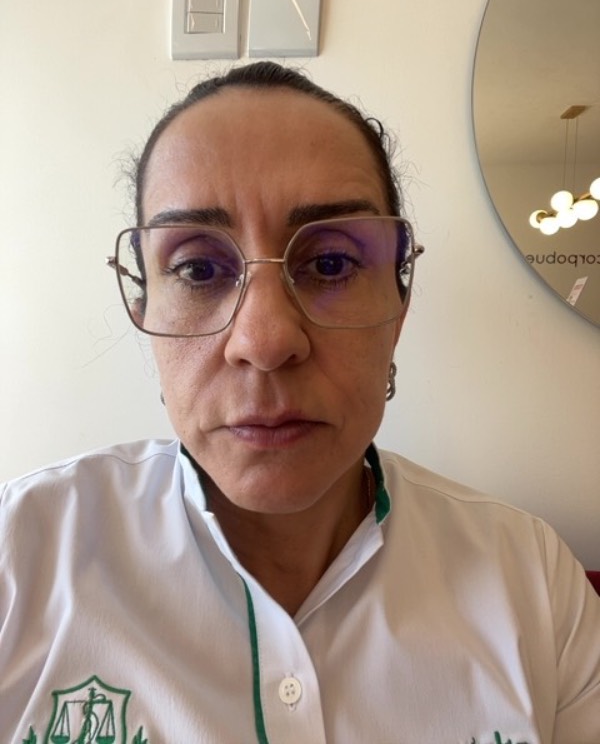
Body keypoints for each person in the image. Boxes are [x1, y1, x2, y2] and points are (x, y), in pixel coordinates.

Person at [1, 62, 598, 744]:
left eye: (332, 264)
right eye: (198, 269)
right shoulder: (19, 558)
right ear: (144, 309)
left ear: (400, 304)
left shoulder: (533, 582)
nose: (264, 341)